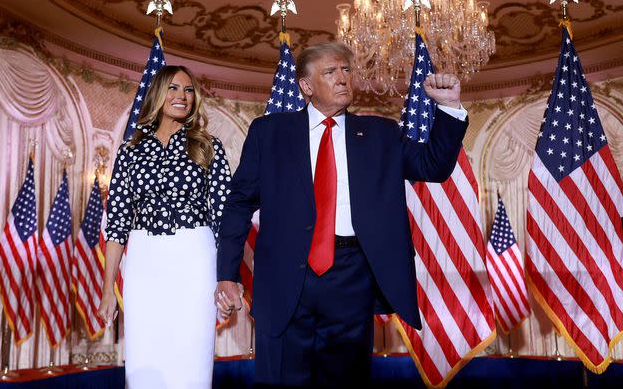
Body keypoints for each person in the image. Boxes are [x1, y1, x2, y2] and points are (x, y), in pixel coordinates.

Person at [215, 42, 468, 388]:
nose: (342, 78)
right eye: (330, 72)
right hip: (285, 277)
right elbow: (239, 203)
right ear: (306, 86)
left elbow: (434, 165)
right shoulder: (269, 132)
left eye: (346, 70)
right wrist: (228, 273)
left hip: (352, 276)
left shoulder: (381, 133)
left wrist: (449, 107)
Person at [98, 65, 232, 389]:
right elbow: (116, 225)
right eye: (173, 88)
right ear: (157, 94)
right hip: (144, 260)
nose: (181, 96)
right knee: (145, 361)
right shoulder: (130, 152)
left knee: (191, 362)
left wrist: (228, 277)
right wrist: (107, 290)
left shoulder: (208, 146)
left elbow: (226, 219)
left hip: (195, 259)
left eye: (188, 90)